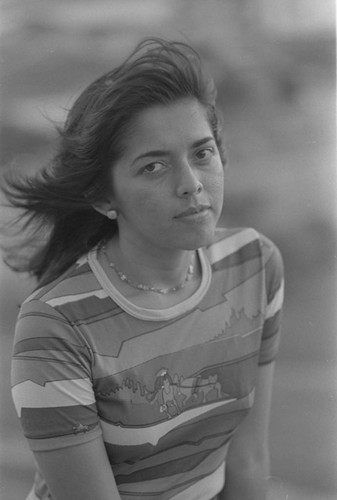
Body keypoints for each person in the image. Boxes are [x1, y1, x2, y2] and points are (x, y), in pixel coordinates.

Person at [4, 38, 284, 500]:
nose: (192, 185)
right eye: (154, 167)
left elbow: (249, 457)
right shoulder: (54, 327)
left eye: (202, 153)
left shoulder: (253, 263)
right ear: (103, 197)